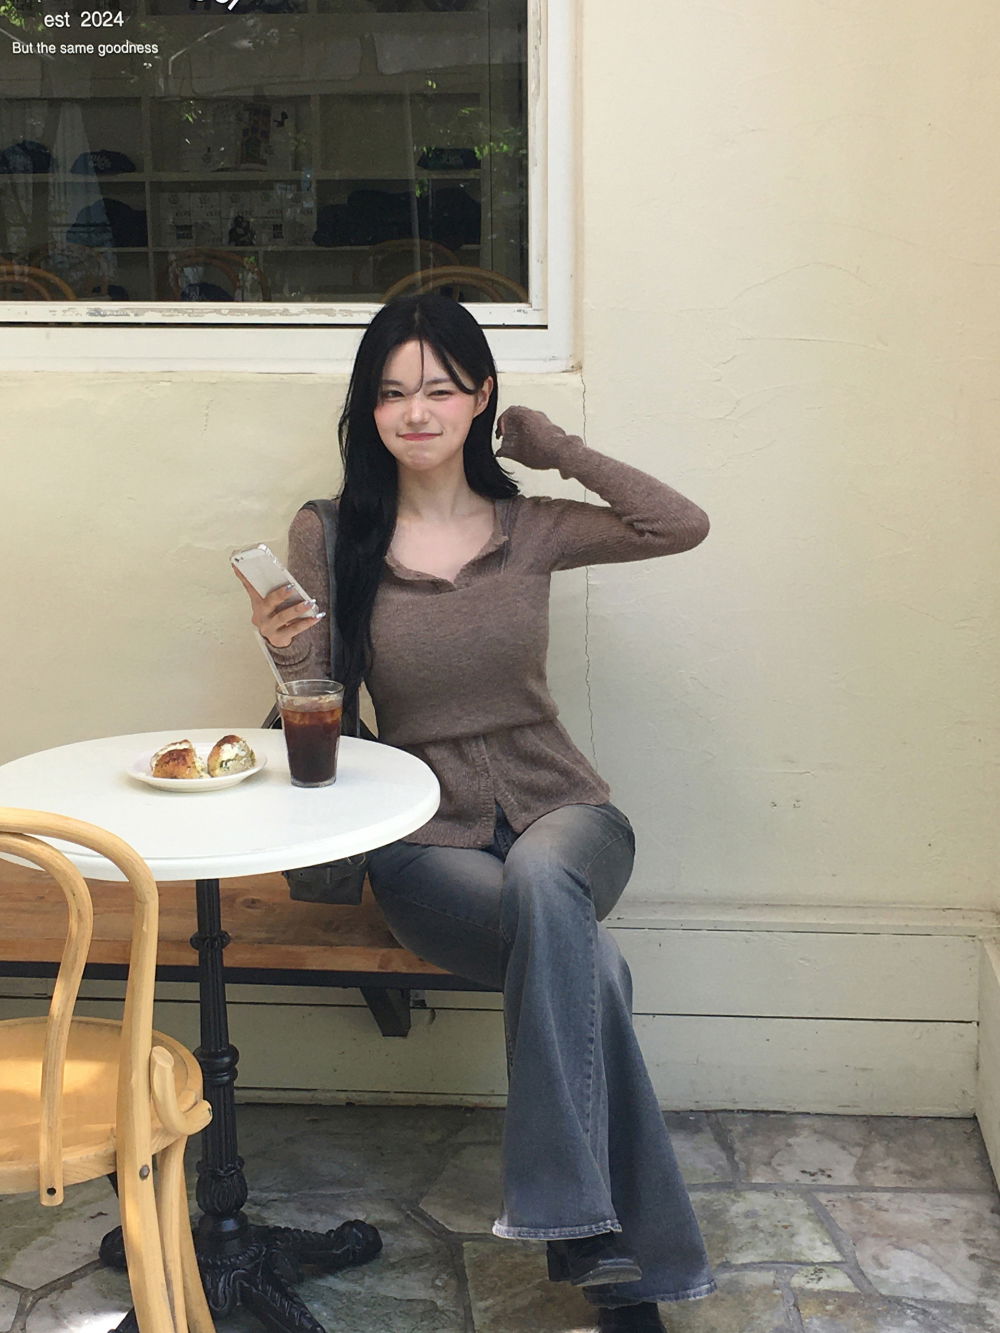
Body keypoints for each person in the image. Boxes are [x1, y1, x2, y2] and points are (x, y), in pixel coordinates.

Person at [237, 294, 716, 1331]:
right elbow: (318, 699)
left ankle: (571, 1212)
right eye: (391, 393)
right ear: (368, 409)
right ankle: (615, 1264)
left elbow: (678, 524)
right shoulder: (333, 533)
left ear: (480, 397)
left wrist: (559, 449)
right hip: (423, 835)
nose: (415, 412)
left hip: (564, 808)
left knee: (546, 877)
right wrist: (284, 650)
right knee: (592, 970)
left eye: (440, 389)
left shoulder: (531, 526)